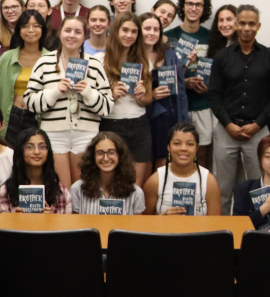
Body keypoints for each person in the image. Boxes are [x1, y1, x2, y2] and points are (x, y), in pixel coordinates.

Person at [208, 4, 270, 215]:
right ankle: (220, 234)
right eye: (242, 23)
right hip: (226, 129)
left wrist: (257, 124)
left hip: (258, 132)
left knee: (260, 188)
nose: (247, 28)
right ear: (235, 25)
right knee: (223, 189)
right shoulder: (222, 56)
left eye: (251, 23)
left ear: (258, 26)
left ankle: (256, 234)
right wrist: (229, 124)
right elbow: (214, 95)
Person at [25, 15, 113, 189]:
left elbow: (107, 107)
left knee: (84, 190)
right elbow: (30, 102)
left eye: (78, 32)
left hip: (85, 135)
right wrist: (55, 92)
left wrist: (88, 92)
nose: (72, 35)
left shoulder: (94, 65)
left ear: (85, 36)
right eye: (67, 30)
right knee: (62, 190)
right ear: (60, 34)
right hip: (54, 135)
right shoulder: (44, 63)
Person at [101, 12, 154, 185]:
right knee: (110, 182)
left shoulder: (144, 61)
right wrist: (112, 96)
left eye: (134, 31)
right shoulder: (99, 60)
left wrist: (141, 96)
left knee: (135, 186)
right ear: (115, 31)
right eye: (125, 30)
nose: (129, 35)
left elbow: (148, 99)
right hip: (110, 124)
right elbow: (93, 102)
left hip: (139, 124)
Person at [165, 0, 213, 165]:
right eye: (190, 4)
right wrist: (183, 82)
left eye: (198, 4)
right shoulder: (168, 37)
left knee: (201, 155)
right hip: (176, 105)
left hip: (203, 105)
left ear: (204, 9)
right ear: (182, 7)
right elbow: (164, 73)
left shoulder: (211, 37)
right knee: (175, 154)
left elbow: (219, 71)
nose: (194, 8)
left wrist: (210, 86)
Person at [0, 10, 52, 145]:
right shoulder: (7, 57)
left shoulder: (51, 59)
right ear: (19, 30)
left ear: (43, 29)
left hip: (38, 117)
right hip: (11, 116)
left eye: (36, 26)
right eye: (25, 26)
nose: (31, 30)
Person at [141, 12, 188, 170]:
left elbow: (181, 92)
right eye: (147, 28)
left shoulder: (170, 54)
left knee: (164, 166)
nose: (152, 33)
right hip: (142, 117)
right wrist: (151, 95)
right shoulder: (131, 56)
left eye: (156, 29)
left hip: (168, 117)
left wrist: (183, 124)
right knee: (144, 165)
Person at [144, 122, 221, 216]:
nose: (183, 148)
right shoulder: (155, 181)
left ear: (197, 148)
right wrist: (163, 219)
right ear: (169, 147)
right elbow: (144, 222)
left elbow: (216, 225)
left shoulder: (209, 181)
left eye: (190, 144)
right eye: (177, 143)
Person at [0, 128, 71, 215]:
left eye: (42, 147)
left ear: (48, 152)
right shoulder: (5, 192)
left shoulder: (62, 193)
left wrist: (51, 221)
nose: (36, 152)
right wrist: (14, 221)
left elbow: (67, 227)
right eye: (30, 147)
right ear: (20, 151)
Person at [71, 132, 146, 215]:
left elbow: (136, 227)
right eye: (100, 153)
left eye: (111, 152)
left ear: (120, 156)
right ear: (93, 157)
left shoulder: (136, 193)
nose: (106, 158)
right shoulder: (77, 189)